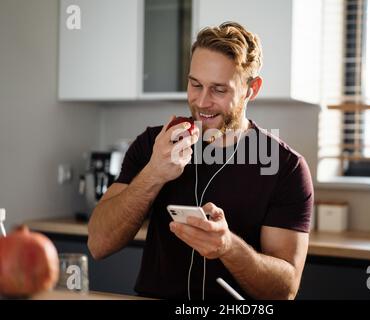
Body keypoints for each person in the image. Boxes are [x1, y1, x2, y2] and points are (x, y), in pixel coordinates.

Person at [87, 22, 313, 300]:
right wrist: (154, 173)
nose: (202, 102)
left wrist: (229, 247)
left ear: (251, 89)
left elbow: (284, 291)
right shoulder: (153, 144)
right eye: (195, 84)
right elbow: (98, 244)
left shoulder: (285, 167)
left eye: (219, 89)